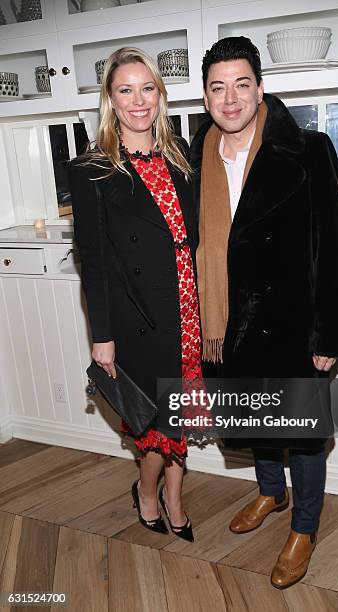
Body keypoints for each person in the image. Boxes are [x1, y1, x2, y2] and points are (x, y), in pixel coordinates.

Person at [190, 37, 338, 588]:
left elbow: (332, 247)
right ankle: (269, 493)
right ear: (206, 96)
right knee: (255, 416)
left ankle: (305, 525)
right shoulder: (195, 159)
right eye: (217, 87)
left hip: (292, 323)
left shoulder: (308, 149)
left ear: (260, 88)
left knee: (302, 432)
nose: (230, 98)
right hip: (228, 324)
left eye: (241, 84)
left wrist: (330, 333)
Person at [68, 46, 203, 543]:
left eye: (147, 88)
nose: (138, 100)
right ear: (111, 100)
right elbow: (95, 262)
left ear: (160, 95)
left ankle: (174, 496)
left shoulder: (181, 156)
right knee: (157, 421)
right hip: (139, 316)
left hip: (189, 311)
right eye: (125, 90)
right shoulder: (92, 170)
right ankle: (149, 494)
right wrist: (101, 336)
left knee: (180, 413)